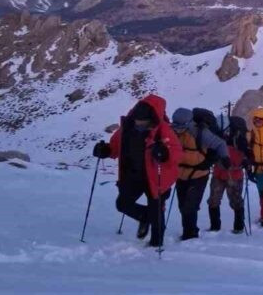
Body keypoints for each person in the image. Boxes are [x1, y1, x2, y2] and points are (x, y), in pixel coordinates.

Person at [92, 94, 182, 247]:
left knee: (156, 207)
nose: (139, 125)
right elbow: (115, 147)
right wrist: (105, 150)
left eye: (143, 123)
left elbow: (177, 153)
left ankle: (156, 244)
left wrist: (164, 153)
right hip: (133, 175)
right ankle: (146, 217)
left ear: (152, 119)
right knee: (122, 204)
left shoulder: (163, 130)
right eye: (137, 122)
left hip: (156, 177)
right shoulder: (127, 128)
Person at [170, 108, 229, 240]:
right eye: (176, 126)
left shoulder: (201, 132)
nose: (178, 130)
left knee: (190, 205)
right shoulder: (172, 131)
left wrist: (225, 158)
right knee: (182, 205)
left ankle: (190, 235)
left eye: (182, 127)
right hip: (181, 174)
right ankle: (188, 231)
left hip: (199, 174)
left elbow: (220, 144)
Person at [207, 115, 249, 234]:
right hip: (226, 172)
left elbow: (246, 152)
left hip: (228, 172)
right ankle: (232, 226)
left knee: (230, 200)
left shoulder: (237, 137)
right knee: (218, 200)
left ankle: (228, 227)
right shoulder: (232, 137)